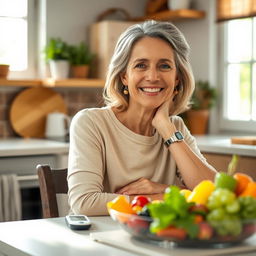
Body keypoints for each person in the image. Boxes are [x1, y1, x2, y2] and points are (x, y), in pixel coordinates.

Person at [67, 20, 216, 216]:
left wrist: (166, 129)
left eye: (164, 66)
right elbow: (85, 202)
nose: (153, 76)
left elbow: (214, 194)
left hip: (155, 240)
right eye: (141, 65)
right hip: (97, 239)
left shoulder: (175, 127)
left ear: (177, 78)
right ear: (124, 77)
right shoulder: (91, 123)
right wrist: (172, 196)